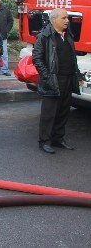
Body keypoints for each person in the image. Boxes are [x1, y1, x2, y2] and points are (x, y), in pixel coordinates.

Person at [32, 8, 83, 154]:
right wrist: (47, 76)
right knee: (49, 113)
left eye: (67, 18)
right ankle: (44, 141)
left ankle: (58, 139)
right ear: (54, 20)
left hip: (68, 78)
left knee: (63, 111)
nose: (67, 20)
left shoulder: (68, 35)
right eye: (64, 18)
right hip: (52, 79)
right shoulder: (44, 35)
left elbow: (73, 57)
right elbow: (37, 58)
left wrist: (77, 75)